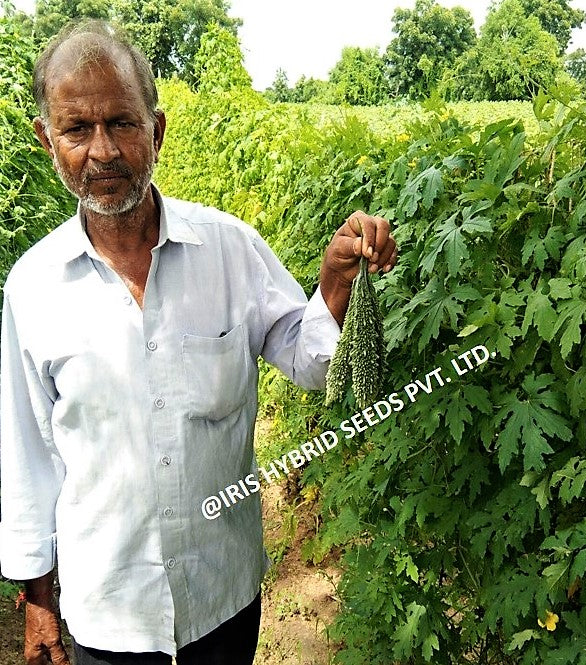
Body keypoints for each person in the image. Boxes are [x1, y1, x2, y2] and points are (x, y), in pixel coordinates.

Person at [0, 20, 397, 665]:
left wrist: (332, 285)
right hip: (108, 614)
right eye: (78, 130)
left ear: (157, 129)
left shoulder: (230, 249)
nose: (103, 151)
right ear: (49, 141)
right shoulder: (34, 288)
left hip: (223, 598)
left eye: (123, 123)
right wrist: (39, 603)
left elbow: (311, 362)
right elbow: (26, 456)